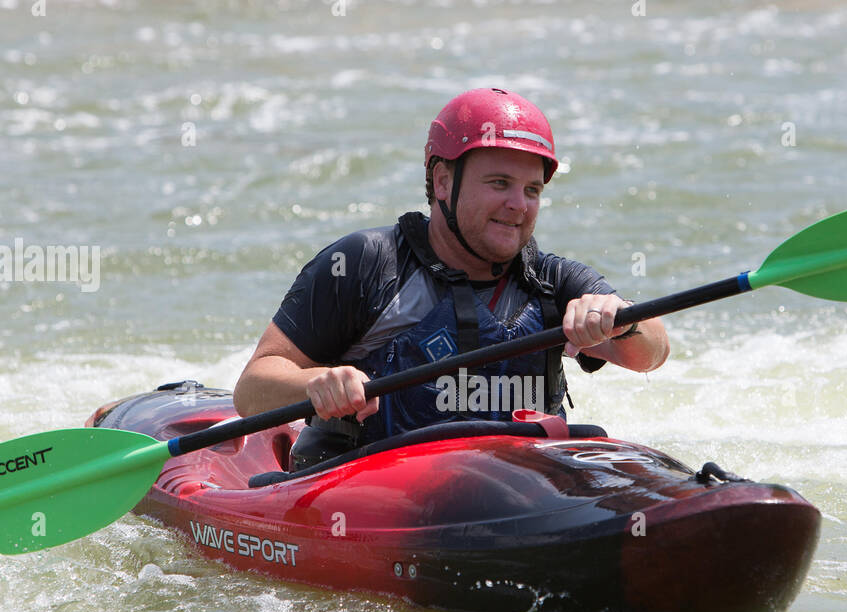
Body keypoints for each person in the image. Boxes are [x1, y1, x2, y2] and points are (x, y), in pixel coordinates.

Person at [233, 87, 669, 467]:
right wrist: (316, 383)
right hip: (375, 494)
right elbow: (251, 390)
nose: (519, 203)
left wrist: (622, 318)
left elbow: (650, 353)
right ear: (443, 181)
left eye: (532, 190)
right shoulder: (366, 264)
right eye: (500, 183)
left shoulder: (554, 280)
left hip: (517, 492)